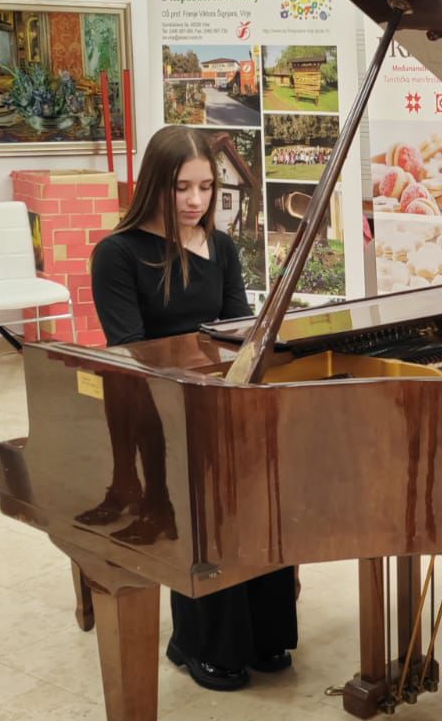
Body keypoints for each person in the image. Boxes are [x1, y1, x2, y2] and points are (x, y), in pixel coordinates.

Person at [90, 125, 298, 691]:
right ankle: (200, 642)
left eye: (206, 188)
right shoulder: (117, 254)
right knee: (204, 500)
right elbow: (131, 350)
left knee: (266, 486)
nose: (195, 201)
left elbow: (234, 331)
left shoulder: (221, 247)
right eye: (182, 187)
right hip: (151, 407)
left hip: (214, 398)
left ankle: (264, 633)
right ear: (154, 184)